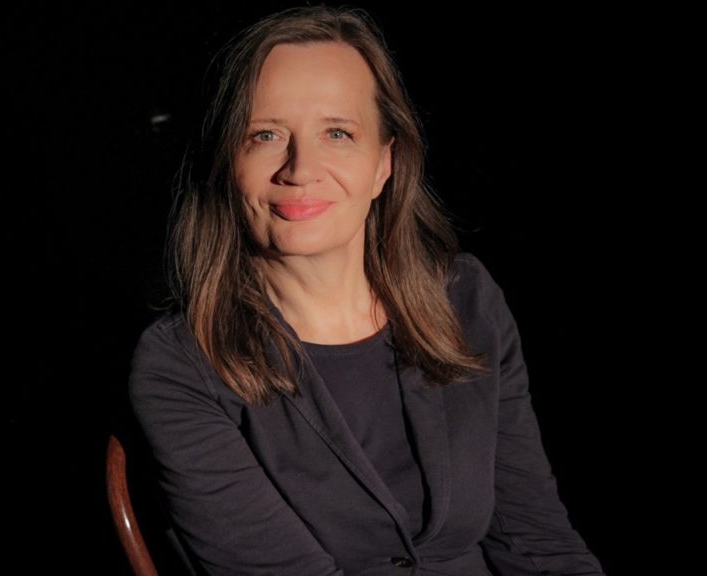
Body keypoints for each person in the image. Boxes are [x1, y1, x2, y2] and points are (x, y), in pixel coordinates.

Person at [129, 6, 604, 575]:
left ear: (385, 163)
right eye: (265, 135)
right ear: (229, 163)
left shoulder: (466, 299)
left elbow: (536, 540)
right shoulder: (181, 367)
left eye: (338, 133)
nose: (300, 168)